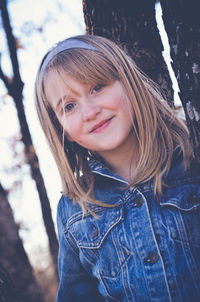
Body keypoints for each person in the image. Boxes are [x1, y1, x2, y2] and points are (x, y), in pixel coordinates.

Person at [34, 34, 200, 302]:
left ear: (129, 84)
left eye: (97, 87)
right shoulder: (75, 210)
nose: (89, 112)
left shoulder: (192, 160)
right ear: (61, 129)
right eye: (69, 106)